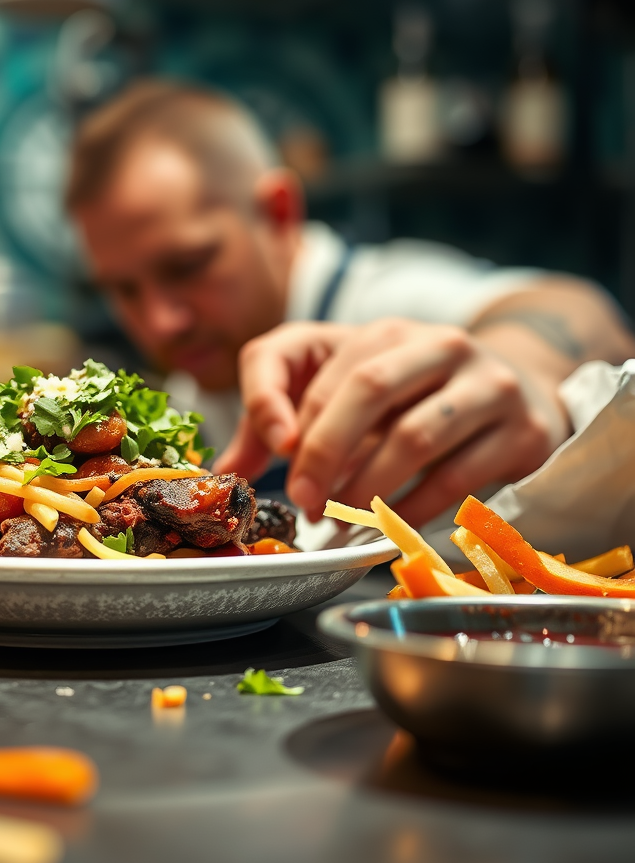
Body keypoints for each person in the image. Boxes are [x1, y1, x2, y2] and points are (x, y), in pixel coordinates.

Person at [67, 80, 635, 528]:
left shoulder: (382, 298)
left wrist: (524, 370)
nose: (161, 321)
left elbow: (580, 311)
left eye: (188, 265)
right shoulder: (188, 395)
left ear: (279, 214)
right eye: (123, 290)